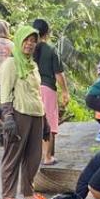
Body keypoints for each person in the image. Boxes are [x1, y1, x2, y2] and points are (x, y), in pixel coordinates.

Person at [0, 26, 47, 199]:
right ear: (19, 41)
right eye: (26, 40)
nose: (30, 44)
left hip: (36, 114)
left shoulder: (33, 65)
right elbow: (5, 91)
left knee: (34, 157)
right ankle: (8, 195)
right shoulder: (11, 64)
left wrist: (45, 120)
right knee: (13, 155)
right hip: (19, 113)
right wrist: (8, 116)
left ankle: (28, 192)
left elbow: (37, 93)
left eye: (33, 41)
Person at [32, 18, 68, 166]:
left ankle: (39, 155)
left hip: (31, 89)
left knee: (36, 122)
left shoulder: (28, 49)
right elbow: (59, 74)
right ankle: (47, 157)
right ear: (47, 33)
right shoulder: (51, 50)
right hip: (47, 89)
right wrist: (65, 91)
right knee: (49, 123)